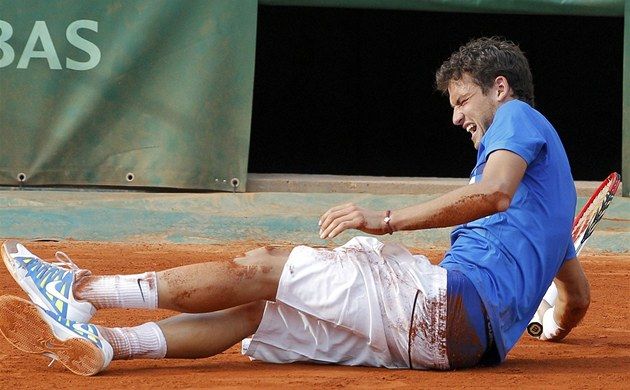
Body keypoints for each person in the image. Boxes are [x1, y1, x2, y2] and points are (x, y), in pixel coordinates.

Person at [0, 37, 590, 376]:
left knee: (264, 266)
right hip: (458, 348)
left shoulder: (518, 119)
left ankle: (80, 290)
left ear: (501, 89)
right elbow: (576, 300)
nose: (458, 117)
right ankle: (110, 345)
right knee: (258, 313)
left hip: (442, 305)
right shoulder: (553, 207)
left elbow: (491, 192)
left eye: (463, 101)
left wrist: (381, 220)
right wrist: (550, 329)